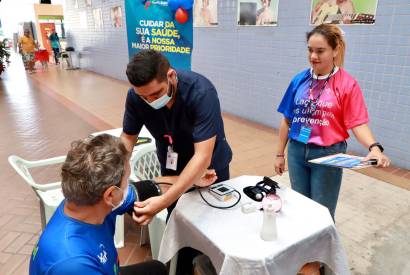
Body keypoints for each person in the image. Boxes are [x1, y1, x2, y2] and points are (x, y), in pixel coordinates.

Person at [275, 23, 390, 274]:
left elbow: (357, 121)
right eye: (310, 50)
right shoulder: (299, 79)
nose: (313, 57)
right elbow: (287, 119)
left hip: (327, 155)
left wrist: (373, 147)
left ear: (335, 50)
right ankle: (305, 256)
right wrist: (279, 152)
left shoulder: (347, 84)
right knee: (302, 207)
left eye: (320, 51)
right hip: (297, 152)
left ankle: (321, 263)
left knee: (323, 212)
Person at [29, 134, 217, 275]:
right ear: (110, 194)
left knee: (157, 269)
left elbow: (149, 187)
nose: (130, 184)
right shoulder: (73, 264)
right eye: (127, 179)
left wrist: (192, 180)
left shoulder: (87, 200)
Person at [121, 49, 232, 274]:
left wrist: (163, 200)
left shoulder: (201, 92)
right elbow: (127, 138)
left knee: (211, 222)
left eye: (156, 93)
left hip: (210, 168)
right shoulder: (136, 96)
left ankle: (211, 265)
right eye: (144, 97)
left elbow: (202, 156)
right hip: (171, 162)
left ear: (170, 75)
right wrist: (118, 171)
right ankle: (183, 265)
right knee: (179, 221)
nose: (150, 101)